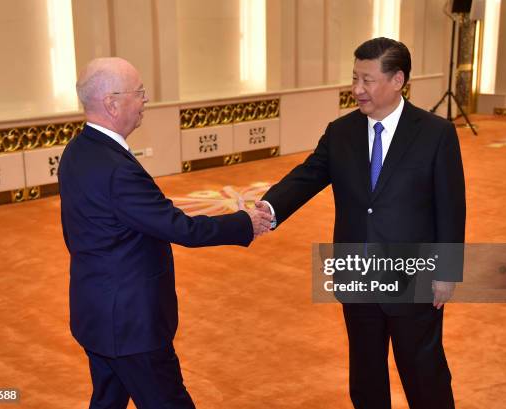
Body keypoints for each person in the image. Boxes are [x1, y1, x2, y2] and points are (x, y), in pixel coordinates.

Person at [257, 38, 466, 409]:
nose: (357, 89)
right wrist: (270, 208)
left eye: (367, 80)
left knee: (424, 372)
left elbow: (451, 206)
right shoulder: (342, 132)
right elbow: (307, 176)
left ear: (398, 79)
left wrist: (447, 271)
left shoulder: (436, 133)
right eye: (355, 78)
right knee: (366, 376)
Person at [58, 57, 271, 409]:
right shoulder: (115, 169)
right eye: (139, 92)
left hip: (96, 313)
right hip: (130, 324)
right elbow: (179, 227)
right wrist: (244, 223)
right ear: (112, 103)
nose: (145, 101)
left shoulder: (77, 151)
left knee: (108, 400)